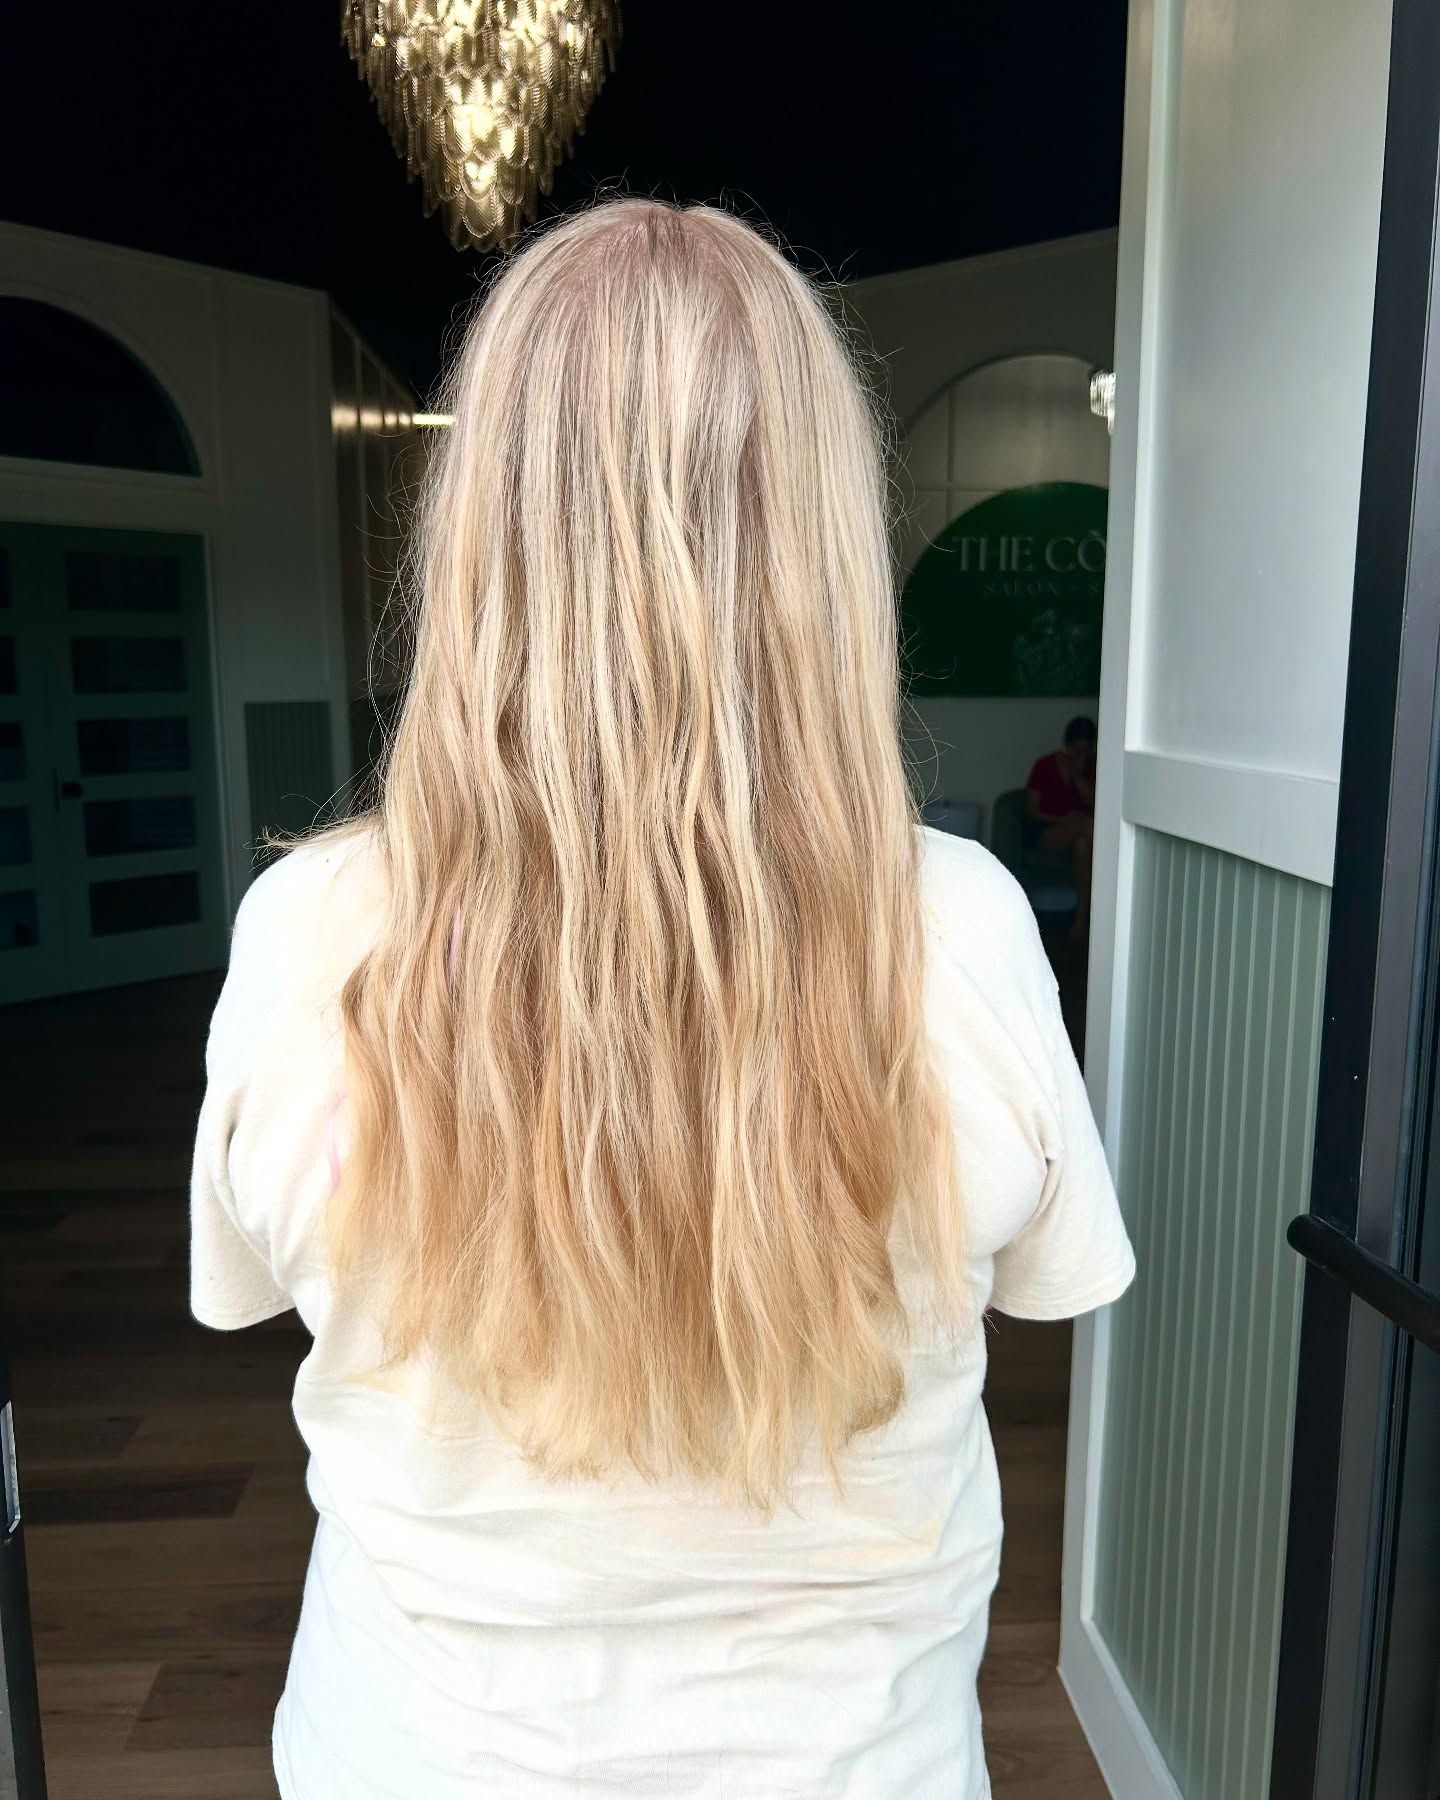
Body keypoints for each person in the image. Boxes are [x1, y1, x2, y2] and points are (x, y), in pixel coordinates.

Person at [190, 201, 1134, 1800]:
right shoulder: (960, 930)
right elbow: (1049, 1283)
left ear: (482, 529)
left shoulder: (311, 936)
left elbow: (243, 1289)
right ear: (824, 533)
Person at [1026, 716, 1097, 939]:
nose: (1080, 755)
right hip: (1050, 831)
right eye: (1076, 750)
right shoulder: (1045, 766)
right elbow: (1032, 811)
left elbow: (1096, 805)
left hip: (1081, 836)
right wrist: (1064, 820)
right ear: (1067, 746)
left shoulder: (1094, 767)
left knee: (1083, 844)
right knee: (1085, 826)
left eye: (1085, 751)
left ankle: (1080, 920)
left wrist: (1077, 776)